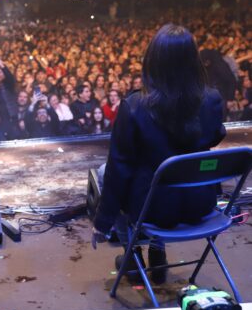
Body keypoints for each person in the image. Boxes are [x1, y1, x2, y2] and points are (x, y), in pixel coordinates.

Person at [91, 25, 226, 285]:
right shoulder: (212, 99)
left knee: (106, 173)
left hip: (154, 211)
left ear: (153, 60)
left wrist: (102, 222)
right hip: (201, 205)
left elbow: (119, 169)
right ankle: (157, 249)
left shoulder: (134, 107)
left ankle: (133, 255)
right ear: (193, 60)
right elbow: (215, 135)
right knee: (166, 176)